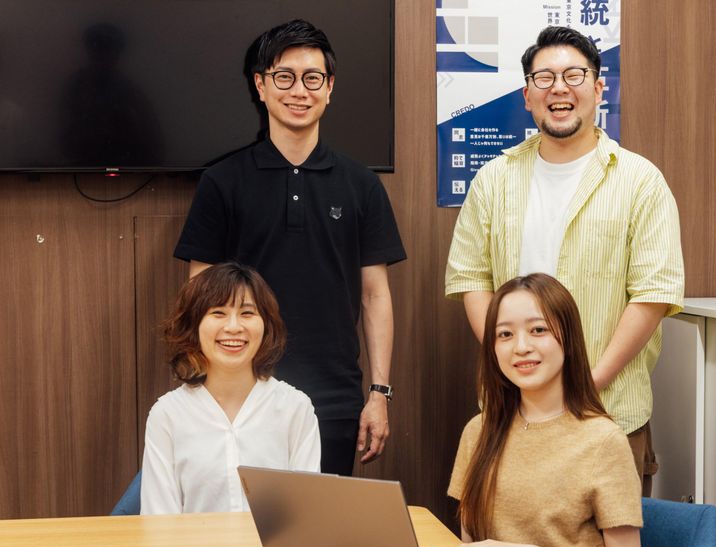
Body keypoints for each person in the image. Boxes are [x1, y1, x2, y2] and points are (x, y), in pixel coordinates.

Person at [445, 26, 684, 494]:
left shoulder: (640, 181)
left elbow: (653, 295)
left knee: (611, 540)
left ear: (599, 89)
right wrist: (512, 365)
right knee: (505, 536)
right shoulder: (493, 179)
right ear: (527, 96)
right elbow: (472, 279)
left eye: (574, 75)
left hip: (608, 412)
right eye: (544, 78)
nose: (559, 88)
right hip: (510, 412)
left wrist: (587, 383)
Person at [173, 19, 406, 476]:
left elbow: (375, 294)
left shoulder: (361, 184)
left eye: (312, 78)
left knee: (319, 521)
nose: (299, 91)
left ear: (329, 88)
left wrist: (379, 393)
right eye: (284, 77)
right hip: (241, 392)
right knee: (235, 517)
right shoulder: (222, 181)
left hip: (334, 398)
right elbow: (201, 292)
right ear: (260, 86)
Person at [444, 274, 643, 547]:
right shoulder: (478, 431)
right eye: (505, 334)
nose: (521, 347)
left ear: (568, 338)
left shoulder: (604, 441)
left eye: (538, 330)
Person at [140, 262, 320, 514]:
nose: (234, 327)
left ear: (266, 325)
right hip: (195, 543)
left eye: (247, 313)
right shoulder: (167, 415)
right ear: (194, 325)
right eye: (218, 312)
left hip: (272, 544)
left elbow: (306, 516)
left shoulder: (295, 408)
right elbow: (159, 519)